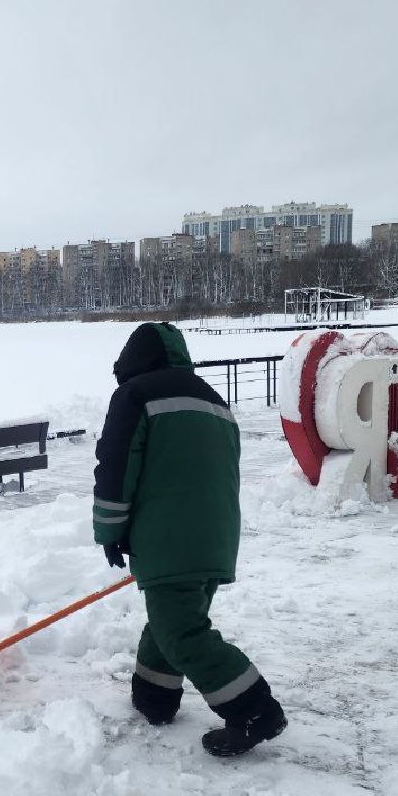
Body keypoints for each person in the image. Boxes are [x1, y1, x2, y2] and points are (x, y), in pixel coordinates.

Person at [92, 322, 287, 757]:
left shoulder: (135, 395)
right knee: (173, 618)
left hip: (169, 538)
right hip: (214, 536)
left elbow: (116, 469)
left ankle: (255, 711)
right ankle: (154, 696)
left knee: (182, 632)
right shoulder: (213, 399)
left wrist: (109, 529)